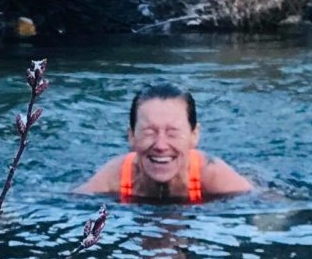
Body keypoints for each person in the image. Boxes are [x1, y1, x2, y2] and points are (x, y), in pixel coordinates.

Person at [77, 84, 253, 203]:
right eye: (149, 132)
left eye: (173, 133)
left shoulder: (212, 175)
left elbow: (267, 201)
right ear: (131, 136)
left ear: (194, 135)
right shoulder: (114, 177)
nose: (161, 145)